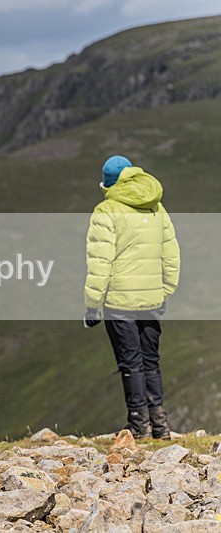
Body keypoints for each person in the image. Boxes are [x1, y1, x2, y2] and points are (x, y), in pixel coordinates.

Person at [83, 155, 180, 439]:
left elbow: (100, 262)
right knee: (151, 360)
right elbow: (171, 253)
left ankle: (138, 426)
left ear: (108, 184)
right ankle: (160, 426)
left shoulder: (105, 210)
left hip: (119, 302)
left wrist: (92, 306)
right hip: (152, 300)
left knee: (131, 363)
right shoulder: (156, 206)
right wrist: (165, 290)